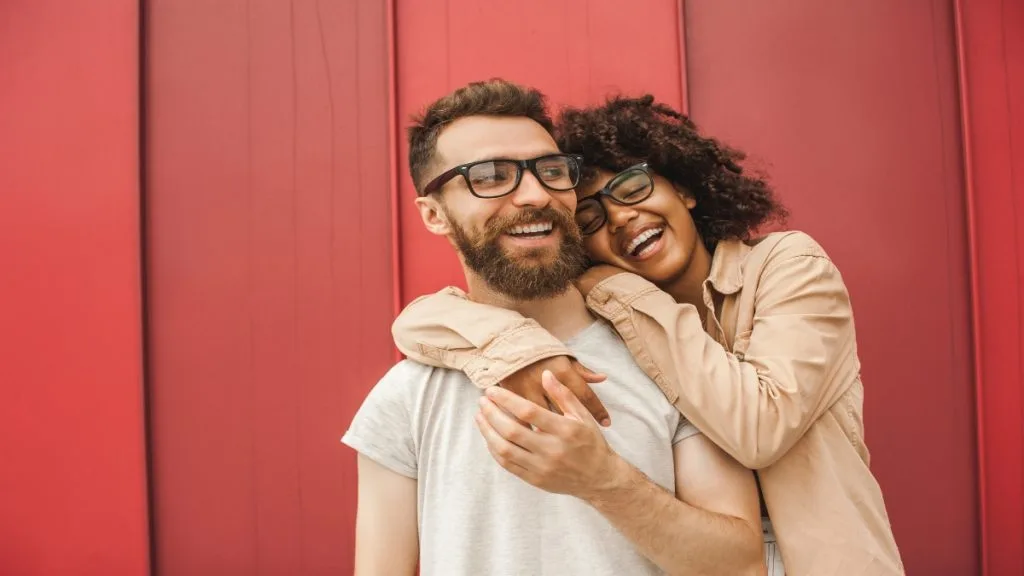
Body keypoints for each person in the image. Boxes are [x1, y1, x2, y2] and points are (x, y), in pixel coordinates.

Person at [392, 94, 905, 575]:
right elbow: (418, 321)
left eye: (633, 188)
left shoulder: (786, 266)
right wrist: (520, 351)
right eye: (592, 215)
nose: (622, 218)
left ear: (681, 186)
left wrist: (613, 284)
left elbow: (759, 428)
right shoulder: (605, 316)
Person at [342, 79, 767, 576]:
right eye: (491, 175)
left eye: (550, 171)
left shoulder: (667, 355)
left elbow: (741, 566)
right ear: (434, 214)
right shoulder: (407, 397)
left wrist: (604, 480)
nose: (533, 194)